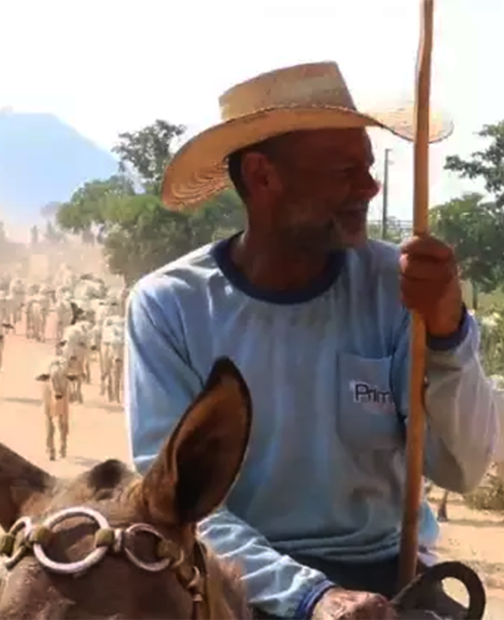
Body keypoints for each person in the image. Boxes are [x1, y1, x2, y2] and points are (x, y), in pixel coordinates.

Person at [125, 62, 499, 620]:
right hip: (234, 587)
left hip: (390, 582)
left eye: (369, 167)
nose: (370, 187)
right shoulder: (170, 307)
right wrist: (310, 597)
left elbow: (464, 469)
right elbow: (181, 506)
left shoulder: (398, 289)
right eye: (345, 170)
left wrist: (447, 336)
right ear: (263, 177)